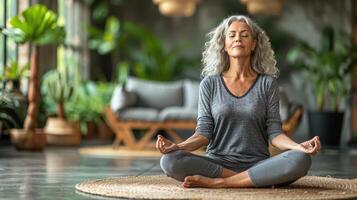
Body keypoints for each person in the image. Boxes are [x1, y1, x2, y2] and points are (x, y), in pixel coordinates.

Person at [156, 15, 321, 188]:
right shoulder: (210, 84)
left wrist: (298, 147)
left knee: (301, 159)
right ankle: (253, 180)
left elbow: (275, 133)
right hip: (217, 164)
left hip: (258, 164)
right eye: (232, 34)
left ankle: (222, 183)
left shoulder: (267, 83)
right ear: (224, 45)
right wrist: (177, 147)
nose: (238, 39)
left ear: (253, 44)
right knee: (169, 161)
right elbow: (203, 134)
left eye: (244, 35)